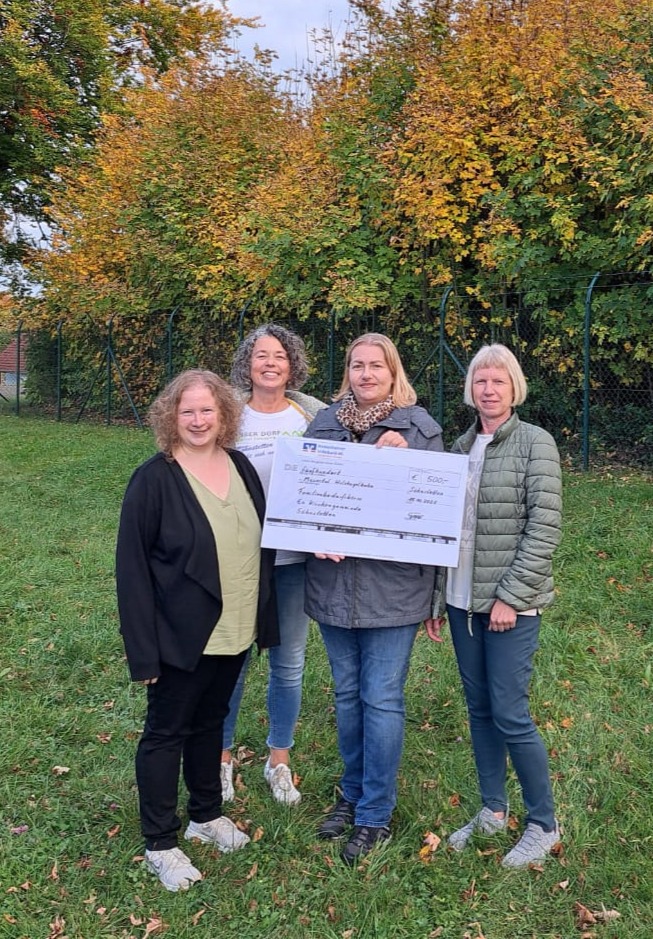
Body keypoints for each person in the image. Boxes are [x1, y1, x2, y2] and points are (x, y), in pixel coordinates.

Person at [115, 369, 279, 892]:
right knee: (167, 734)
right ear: (171, 416)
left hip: (234, 626)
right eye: (188, 411)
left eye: (208, 410)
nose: (198, 419)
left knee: (212, 723)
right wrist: (145, 654)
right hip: (179, 637)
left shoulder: (242, 466)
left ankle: (206, 816)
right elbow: (132, 571)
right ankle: (161, 843)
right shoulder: (154, 479)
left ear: (224, 415)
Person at [303, 332, 444, 865]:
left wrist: (407, 465)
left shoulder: (420, 431)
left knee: (381, 698)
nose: (366, 375)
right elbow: (303, 502)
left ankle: (375, 814)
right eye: (357, 366)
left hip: (394, 588)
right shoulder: (321, 427)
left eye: (376, 367)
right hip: (334, 588)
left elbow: (436, 515)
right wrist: (314, 535)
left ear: (393, 373)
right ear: (347, 372)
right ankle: (352, 792)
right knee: (345, 695)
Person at [426, 343, 563, 869]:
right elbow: (442, 532)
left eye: (498, 382)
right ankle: (491, 810)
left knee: (509, 712)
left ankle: (543, 823)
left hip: (509, 606)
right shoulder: (460, 448)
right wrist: (440, 598)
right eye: (481, 382)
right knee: (480, 711)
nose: (488, 390)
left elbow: (544, 526)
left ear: (514, 388)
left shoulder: (535, 443)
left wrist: (510, 595)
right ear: (470, 391)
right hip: (461, 603)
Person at [220, 324, 325, 805]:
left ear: (291, 365)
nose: (269, 362)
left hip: (295, 561)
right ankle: (219, 758)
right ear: (248, 364)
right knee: (232, 659)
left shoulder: (313, 416)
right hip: (238, 560)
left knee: (289, 664)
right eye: (260, 355)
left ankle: (278, 759)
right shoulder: (226, 417)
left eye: (279, 355)